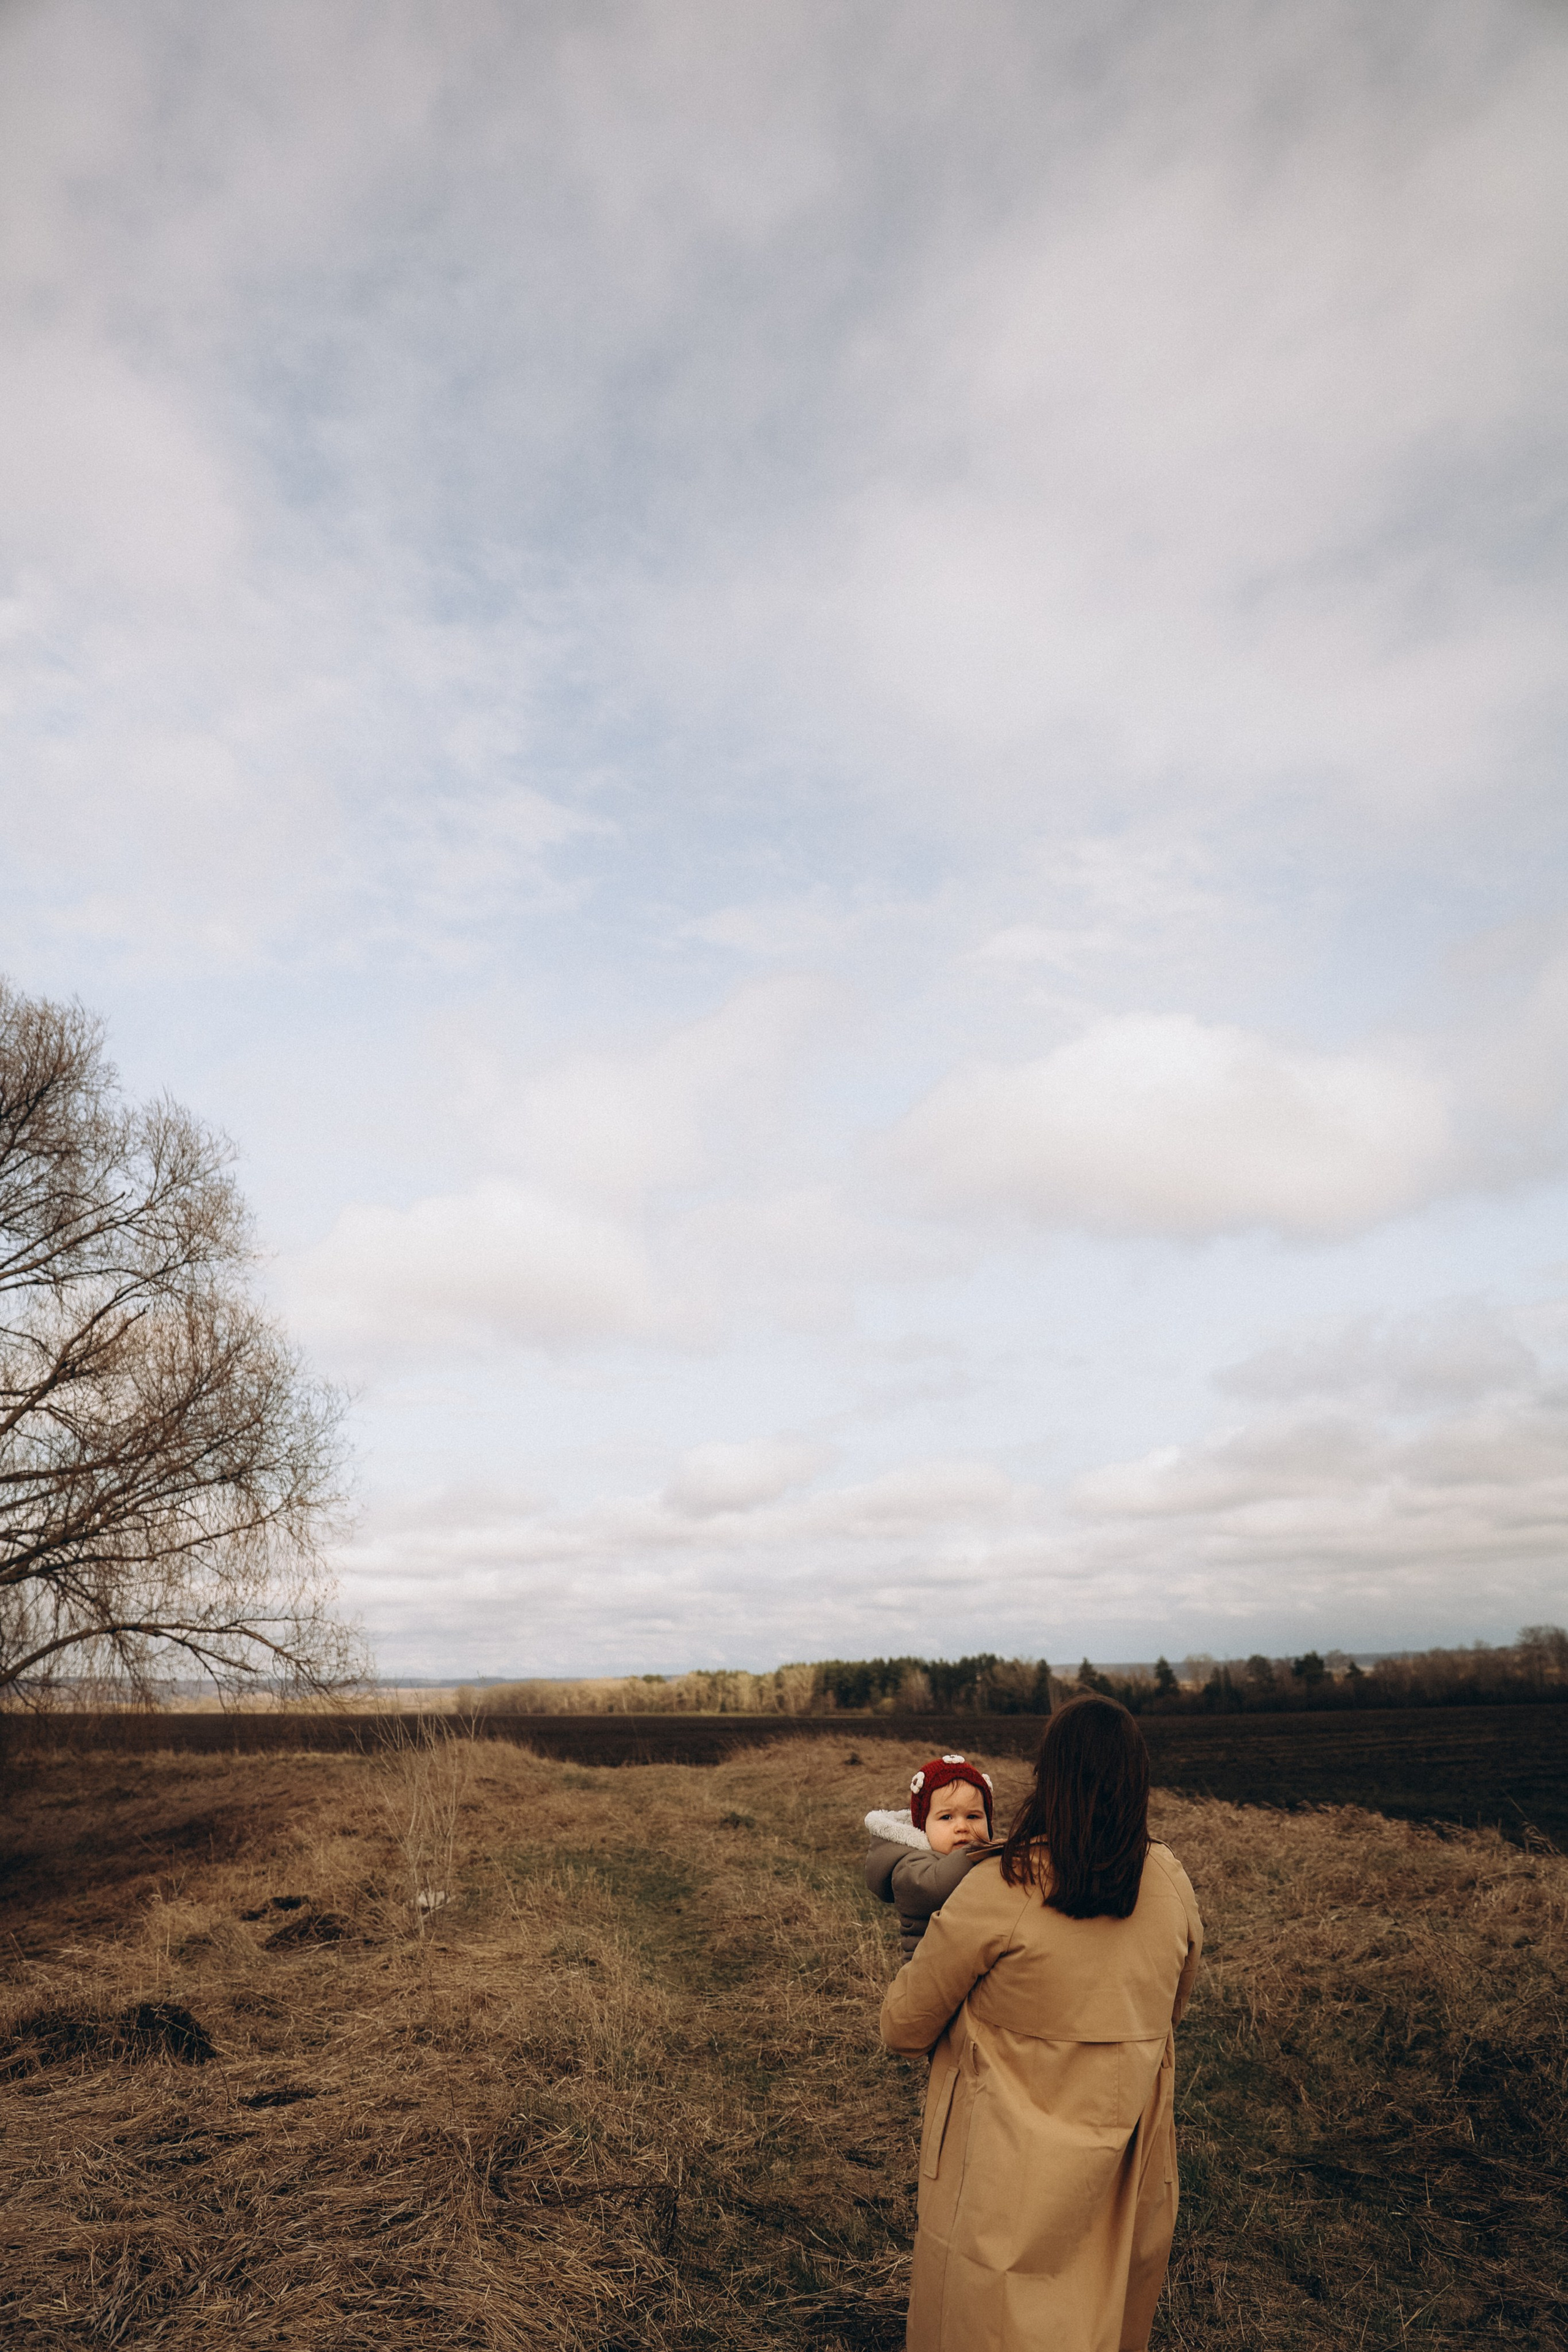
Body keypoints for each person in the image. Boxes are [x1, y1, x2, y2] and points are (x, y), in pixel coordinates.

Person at [880, 1696, 1202, 2352]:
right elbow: (1174, 2005)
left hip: (1002, 2180)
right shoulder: (1169, 1882)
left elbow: (903, 2027)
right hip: (1124, 2167)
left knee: (987, 2325)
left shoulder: (1002, 1884)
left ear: (1048, 1778)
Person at [864, 1754, 998, 1958]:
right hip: (930, 1970)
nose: (962, 1827)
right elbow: (934, 1886)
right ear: (923, 1826)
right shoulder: (910, 1864)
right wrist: (979, 1852)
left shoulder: (984, 1860)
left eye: (973, 1816)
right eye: (947, 1817)